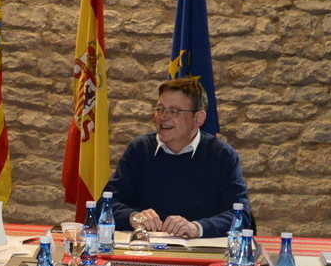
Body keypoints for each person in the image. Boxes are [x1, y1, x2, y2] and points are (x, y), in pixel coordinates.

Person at [103, 77, 249, 239]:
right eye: (160, 109)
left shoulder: (221, 155)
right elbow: (103, 206)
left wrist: (196, 228)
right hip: (146, 253)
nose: (163, 117)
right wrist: (133, 217)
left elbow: (242, 216)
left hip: (201, 257)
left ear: (198, 118)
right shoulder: (140, 150)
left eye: (174, 111)